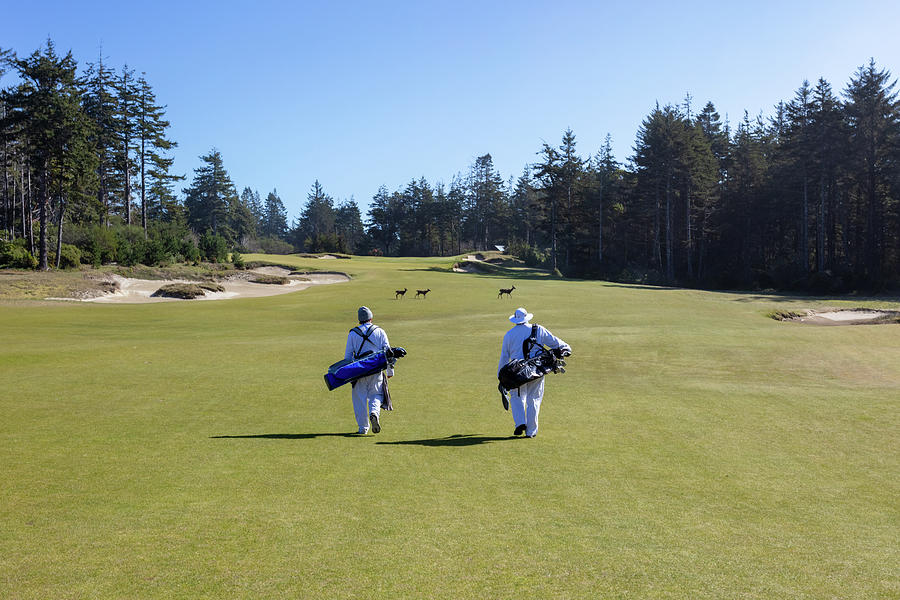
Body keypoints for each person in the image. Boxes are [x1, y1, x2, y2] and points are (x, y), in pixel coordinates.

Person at [498, 307, 571, 438]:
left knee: (517, 397)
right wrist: (566, 348)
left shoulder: (509, 334)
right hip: (535, 371)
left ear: (515, 320)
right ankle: (531, 431)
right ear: (527, 318)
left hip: (516, 373)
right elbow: (556, 343)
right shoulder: (538, 329)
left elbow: (504, 357)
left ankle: (520, 423)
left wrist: (501, 378)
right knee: (534, 399)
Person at [345, 306, 393, 434]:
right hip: (376, 369)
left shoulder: (353, 333)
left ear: (359, 319)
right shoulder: (380, 331)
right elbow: (388, 352)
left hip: (359, 371)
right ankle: (374, 413)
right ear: (371, 318)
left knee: (359, 399)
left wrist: (347, 375)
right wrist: (390, 371)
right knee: (376, 395)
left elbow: (348, 357)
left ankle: (363, 428)